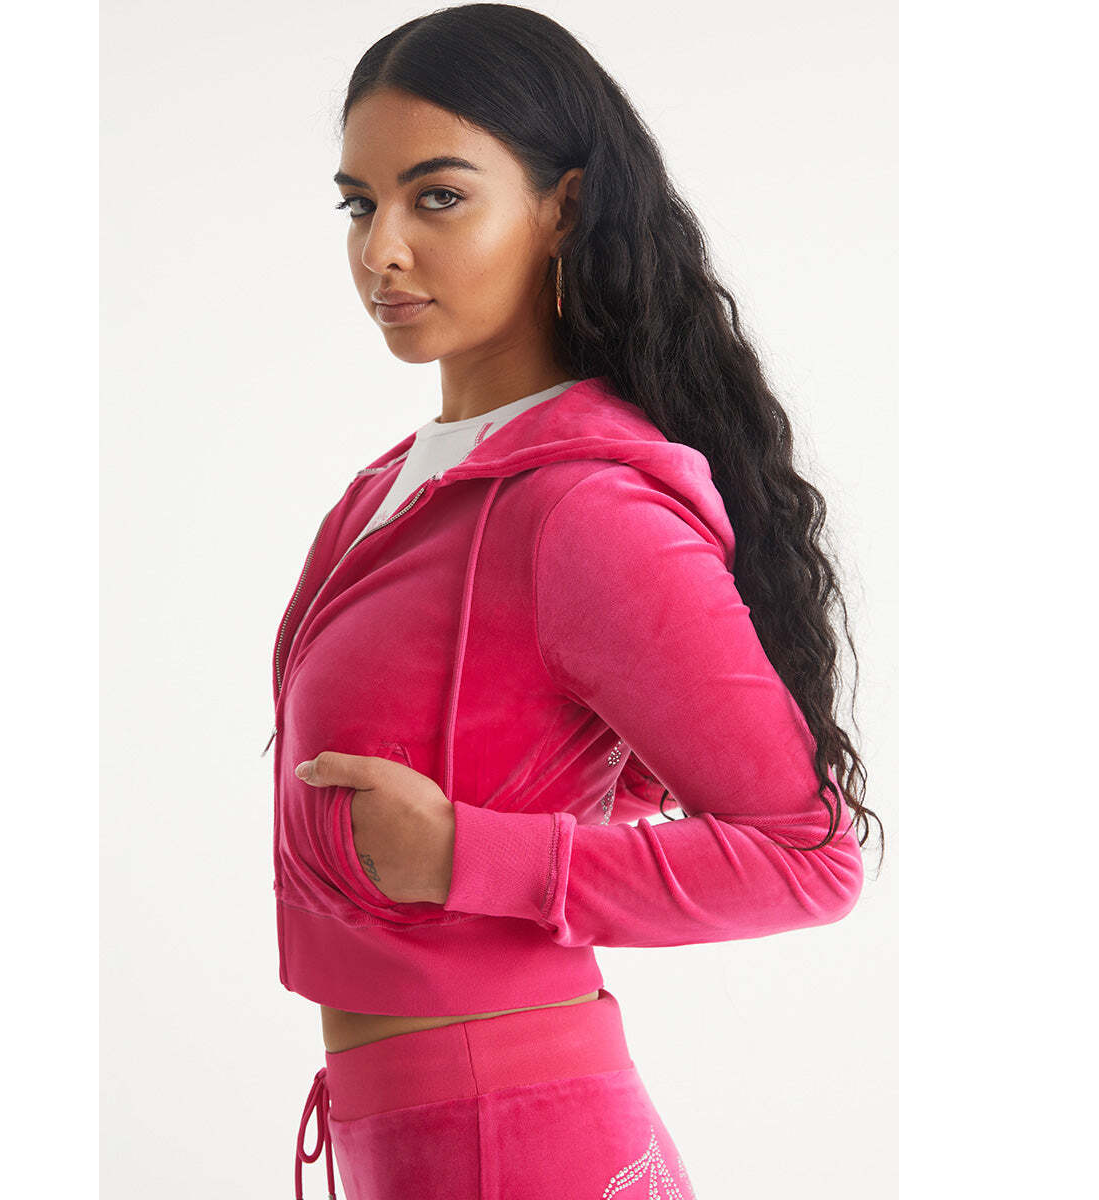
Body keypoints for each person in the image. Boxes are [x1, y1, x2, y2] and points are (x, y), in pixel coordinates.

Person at [267, 6, 883, 1197]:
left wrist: (469, 855)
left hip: (519, 1139)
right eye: (359, 203)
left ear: (562, 207)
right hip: (413, 1136)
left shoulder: (580, 510)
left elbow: (809, 858)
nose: (381, 250)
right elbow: (581, 755)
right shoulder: (387, 493)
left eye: (437, 198)